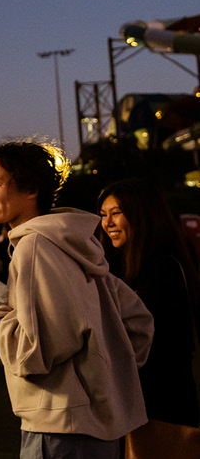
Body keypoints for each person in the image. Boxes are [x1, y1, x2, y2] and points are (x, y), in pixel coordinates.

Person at [0, 141, 154, 459]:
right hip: (99, 428)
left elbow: (31, 353)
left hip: (60, 430)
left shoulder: (34, 248)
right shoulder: (74, 243)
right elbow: (137, 321)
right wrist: (106, 376)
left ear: (31, 188)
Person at [96, 178, 200, 427]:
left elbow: (151, 340)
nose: (107, 223)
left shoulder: (162, 267)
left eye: (116, 213)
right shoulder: (123, 266)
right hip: (139, 399)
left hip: (164, 401)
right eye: (102, 215)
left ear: (140, 215)